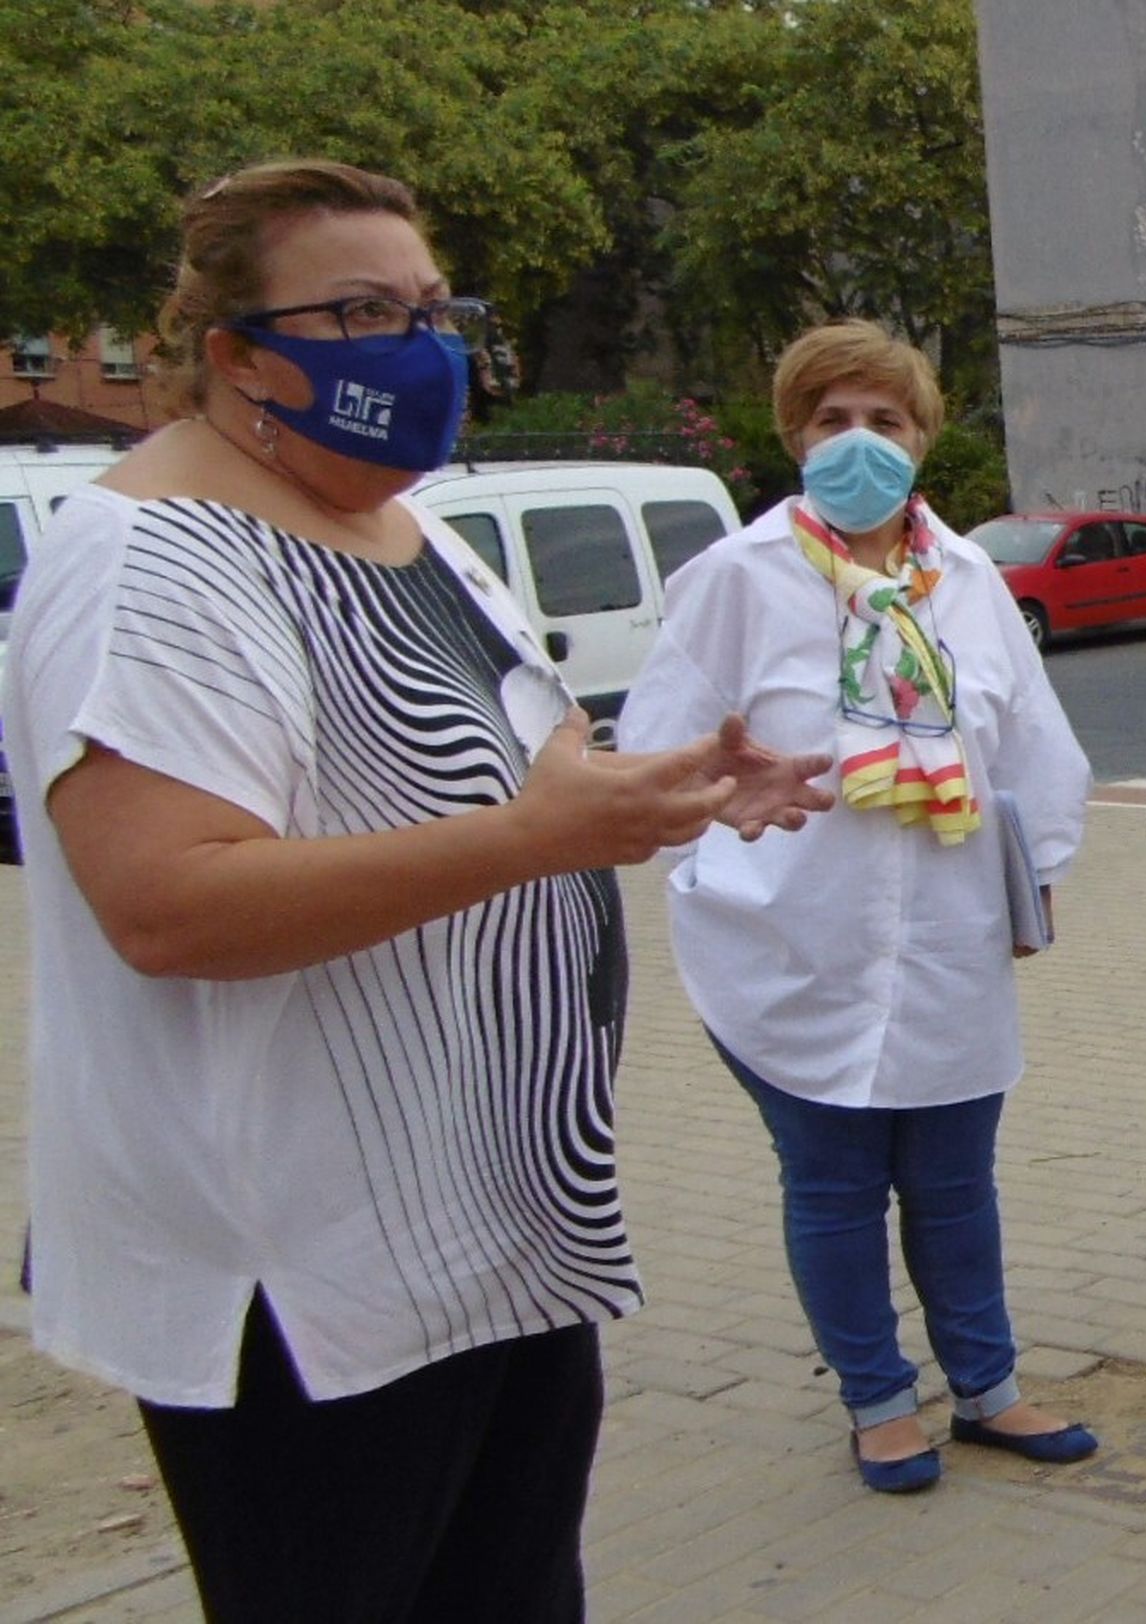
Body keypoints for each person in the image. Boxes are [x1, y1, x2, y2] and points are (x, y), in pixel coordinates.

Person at [0, 159, 832, 1623]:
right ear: (235, 352)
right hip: (307, 1278)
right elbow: (170, 907)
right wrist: (538, 842)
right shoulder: (152, 564)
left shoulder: (414, 527)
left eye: (434, 306)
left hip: (499, 1223)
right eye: (364, 309)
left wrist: (662, 780)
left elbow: (532, 766)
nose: (422, 343)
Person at [618, 319, 1097, 1493]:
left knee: (953, 1181)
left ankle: (986, 1387)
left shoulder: (972, 584)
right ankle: (878, 1399)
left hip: (947, 943)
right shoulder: (739, 578)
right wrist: (715, 812)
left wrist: (1034, 887)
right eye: (832, 419)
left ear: (923, 436)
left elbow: (1034, 747)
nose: (859, 443)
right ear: (793, 435)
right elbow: (654, 747)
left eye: (884, 421)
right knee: (833, 1184)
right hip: (792, 938)